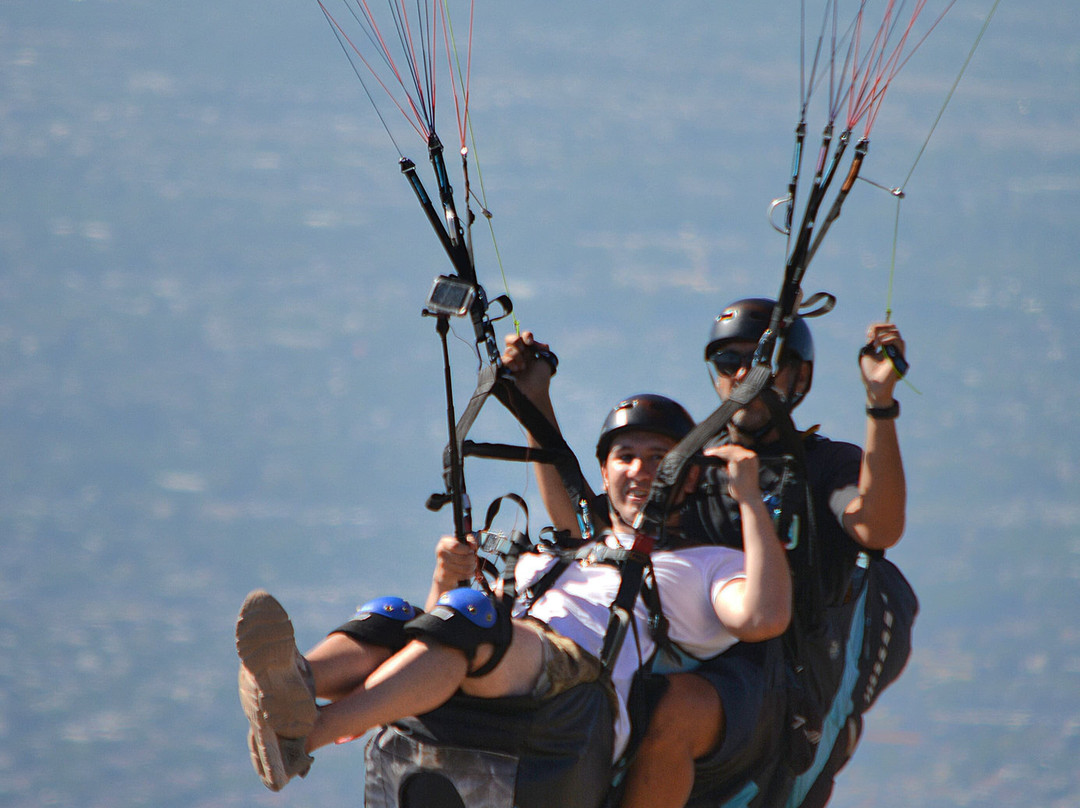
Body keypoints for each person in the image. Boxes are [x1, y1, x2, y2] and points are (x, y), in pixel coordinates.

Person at [234, 394, 794, 798]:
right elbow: (437, 627)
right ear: (604, 470)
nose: (640, 469)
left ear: (688, 478)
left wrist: (747, 499)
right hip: (502, 658)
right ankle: (294, 682)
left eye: (658, 457)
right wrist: (446, 573)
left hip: (578, 690)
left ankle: (307, 733)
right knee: (393, 614)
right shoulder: (558, 553)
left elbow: (765, 617)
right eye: (626, 456)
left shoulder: (703, 564)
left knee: (471, 616)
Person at [500, 298, 910, 808]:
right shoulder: (690, 461)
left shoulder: (821, 466)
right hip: (667, 651)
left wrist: (879, 402)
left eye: (763, 359)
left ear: (798, 374)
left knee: (671, 711)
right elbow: (593, 535)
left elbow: (876, 525)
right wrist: (533, 402)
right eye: (728, 362)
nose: (744, 374)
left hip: (766, 678)